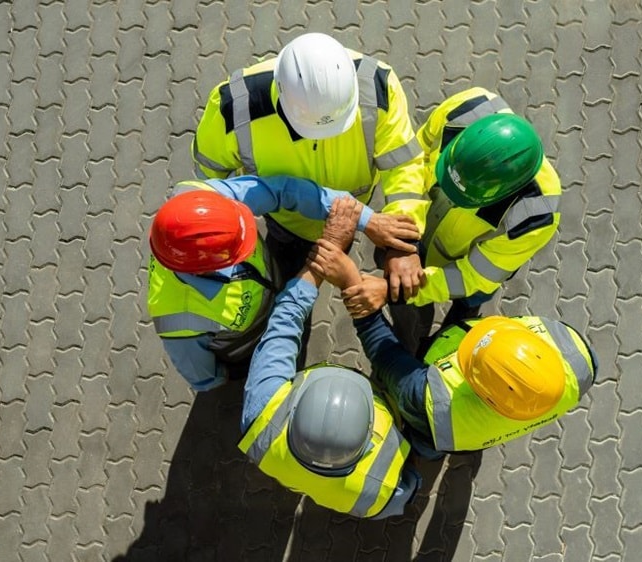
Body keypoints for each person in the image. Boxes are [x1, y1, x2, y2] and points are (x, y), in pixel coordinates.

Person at [309, 241, 598, 459]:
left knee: (426, 441)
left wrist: (352, 284)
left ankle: (422, 449)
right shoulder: (577, 356)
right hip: (483, 423)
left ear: (480, 392)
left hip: (440, 428)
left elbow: (385, 355)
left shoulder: (434, 406)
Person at [147, 176, 420, 391]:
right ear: (208, 267)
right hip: (248, 352)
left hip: (277, 284)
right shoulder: (180, 321)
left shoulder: (201, 203)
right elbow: (203, 377)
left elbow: (280, 190)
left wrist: (365, 218)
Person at [193, 32, 427, 281]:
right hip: (288, 227)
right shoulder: (234, 108)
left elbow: (403, 165)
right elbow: (208, 182)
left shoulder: (377, 87)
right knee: (287, 285)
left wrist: (402, 243)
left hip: (353, 220)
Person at [238, 198, 419, 519]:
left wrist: (325, 253)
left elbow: (285, 319)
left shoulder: (263, 417)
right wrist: (337, 265)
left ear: (294, 408)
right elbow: (410, 484)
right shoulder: (382, 491)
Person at [347, 87, 563, 355]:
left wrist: (401, 291)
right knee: (410, 319)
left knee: (462, 318)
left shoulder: (535, 215)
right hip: (416, 238)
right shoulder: (464, 108)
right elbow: (412, 160)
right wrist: (404, 243)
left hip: (468, 273)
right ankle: (412, 351)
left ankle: (442, 355)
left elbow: (473, 276)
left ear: (505, 191)